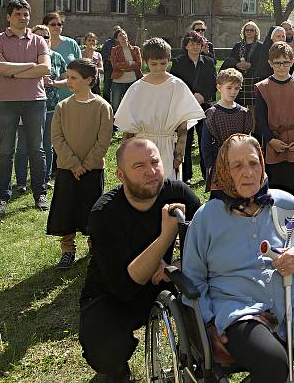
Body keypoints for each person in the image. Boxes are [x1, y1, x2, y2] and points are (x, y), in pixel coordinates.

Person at [182, 134, 294, 382]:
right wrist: (208, 325)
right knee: (275, 364)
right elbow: (193, 278)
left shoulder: (284, 202)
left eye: (253, 163)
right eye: (237, 166)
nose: (248, 172)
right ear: (224, 171)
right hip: (240, 311)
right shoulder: (207, 218)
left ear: (262, 165)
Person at [78, 138, 201, 382]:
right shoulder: (105, 213)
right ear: (121, 176)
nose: (151, 171)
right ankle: (115, 371)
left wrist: (177, 266)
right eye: (139, 166)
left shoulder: (178, 194)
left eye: (154, 162)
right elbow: (124, 286)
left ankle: (197, 363)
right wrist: (167, 236)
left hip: (162, 281)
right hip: (112, 293)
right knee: (104, 348)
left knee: (210, 299)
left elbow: (210, 241)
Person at [47, 58, 112, 269]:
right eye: (68, 77)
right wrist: (74, 164)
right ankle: (67, 249)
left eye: (73, 78)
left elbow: (103, 140)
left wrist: (87, 164)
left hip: (92, 170)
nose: (68, 81)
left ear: (89, 80)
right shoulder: (62, 107)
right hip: (67, 169)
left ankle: (93, 244)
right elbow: (57, 138)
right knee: (66, 208)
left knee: (92, 208)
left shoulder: (103, 107)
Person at [0, 0, 51, 214]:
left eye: (26, 14)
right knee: (5, 151)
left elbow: (45, 69)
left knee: (37, 149)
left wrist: (12, 71)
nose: (22, 18)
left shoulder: (39, 41)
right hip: (5, 102)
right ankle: (2, 197)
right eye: (18, 14)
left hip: (35, 100)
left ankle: (40, 193)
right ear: (8, 16)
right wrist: (29, 66)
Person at [114, 38, 205, 181]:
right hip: (142, 145)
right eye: (153, 64)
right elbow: (129, 128)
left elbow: (183, 125)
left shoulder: (177, 86)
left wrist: (179, 154)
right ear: (145, 62)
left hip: (167, 146)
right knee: (143, 183)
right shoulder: (137, 88)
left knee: (166, 186)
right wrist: (125, 156)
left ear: (168, 60)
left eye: (163, 63)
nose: (158, 68)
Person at [14, 25, 65, 195]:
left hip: (50, 108)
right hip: (26, 106)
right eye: (39, 37)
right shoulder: (26, 57)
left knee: (47, 146)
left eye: (47, 37)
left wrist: (54, 83)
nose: (43, 40)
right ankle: (21, 182)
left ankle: (45, 178)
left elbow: (68, 79)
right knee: (23, 146)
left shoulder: (57, 57)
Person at [255, 42, 294, 195]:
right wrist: (271, 139)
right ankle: (272, 218)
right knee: (274, 189)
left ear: (292, 61)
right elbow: (261, 119)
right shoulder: (263, 87)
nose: (282, 66)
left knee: (291, 188)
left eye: (286, 62)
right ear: (270, 63)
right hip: (274, 142)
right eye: (277, 63)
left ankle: (289, 219)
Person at [170, 31, 218, 183]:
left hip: (204, 106)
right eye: (192, 44)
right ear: (186, 46)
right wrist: (190, 98)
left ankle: (207, 173)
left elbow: (213, 84)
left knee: (206, 140)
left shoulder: (209, 62)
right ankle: (187, 176)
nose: (195, 47)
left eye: (198, 44)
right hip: (185, 107)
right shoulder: (178, 62)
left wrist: (203, 96)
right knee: (185, 140)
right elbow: (175, 86)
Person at [201, 69, 255, 191]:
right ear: (219, 88)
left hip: (240, 161)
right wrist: (209, 165)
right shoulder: (212, 114)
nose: (233, 92)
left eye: (236, 88)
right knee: (220, 198)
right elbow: (205, 143)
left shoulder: (244, 113)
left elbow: (247, 140)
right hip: (218, 160)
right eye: (229, 88)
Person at [225, 21, 264, 108]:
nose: (249, 32)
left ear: (256, 32)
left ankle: (252, 122)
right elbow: (230, 59)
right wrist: (237, 64)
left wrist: (250, 65)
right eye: (247, 30)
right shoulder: (237, 46)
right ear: (244, 31)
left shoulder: (261, 46)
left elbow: (262, 62)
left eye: (252, 30)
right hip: (238, 79)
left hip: (254, 79)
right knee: (238, 107)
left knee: (253, 108)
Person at [109, 28, 142, 113]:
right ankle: (115, 125)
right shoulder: (114, 50)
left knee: (132, 105)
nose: (123, 36)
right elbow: (115, 66)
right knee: (116, 105)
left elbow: (139, 65)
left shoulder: (135, 49)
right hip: (118, 81)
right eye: (120, 35)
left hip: (132, 81)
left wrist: (123, 66)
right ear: (117, 39)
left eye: (124, 34)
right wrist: (130, 63)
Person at [101, 25, 121, 105]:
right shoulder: (107, 43)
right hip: (109, 67)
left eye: (118, 30)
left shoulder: (123, 42)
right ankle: (106, 104)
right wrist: (113, 59)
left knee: (118, 87)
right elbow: (104, 54)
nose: (117, 32)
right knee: (107, 87)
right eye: (115, 30)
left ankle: (117, 104)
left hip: (120, 68)